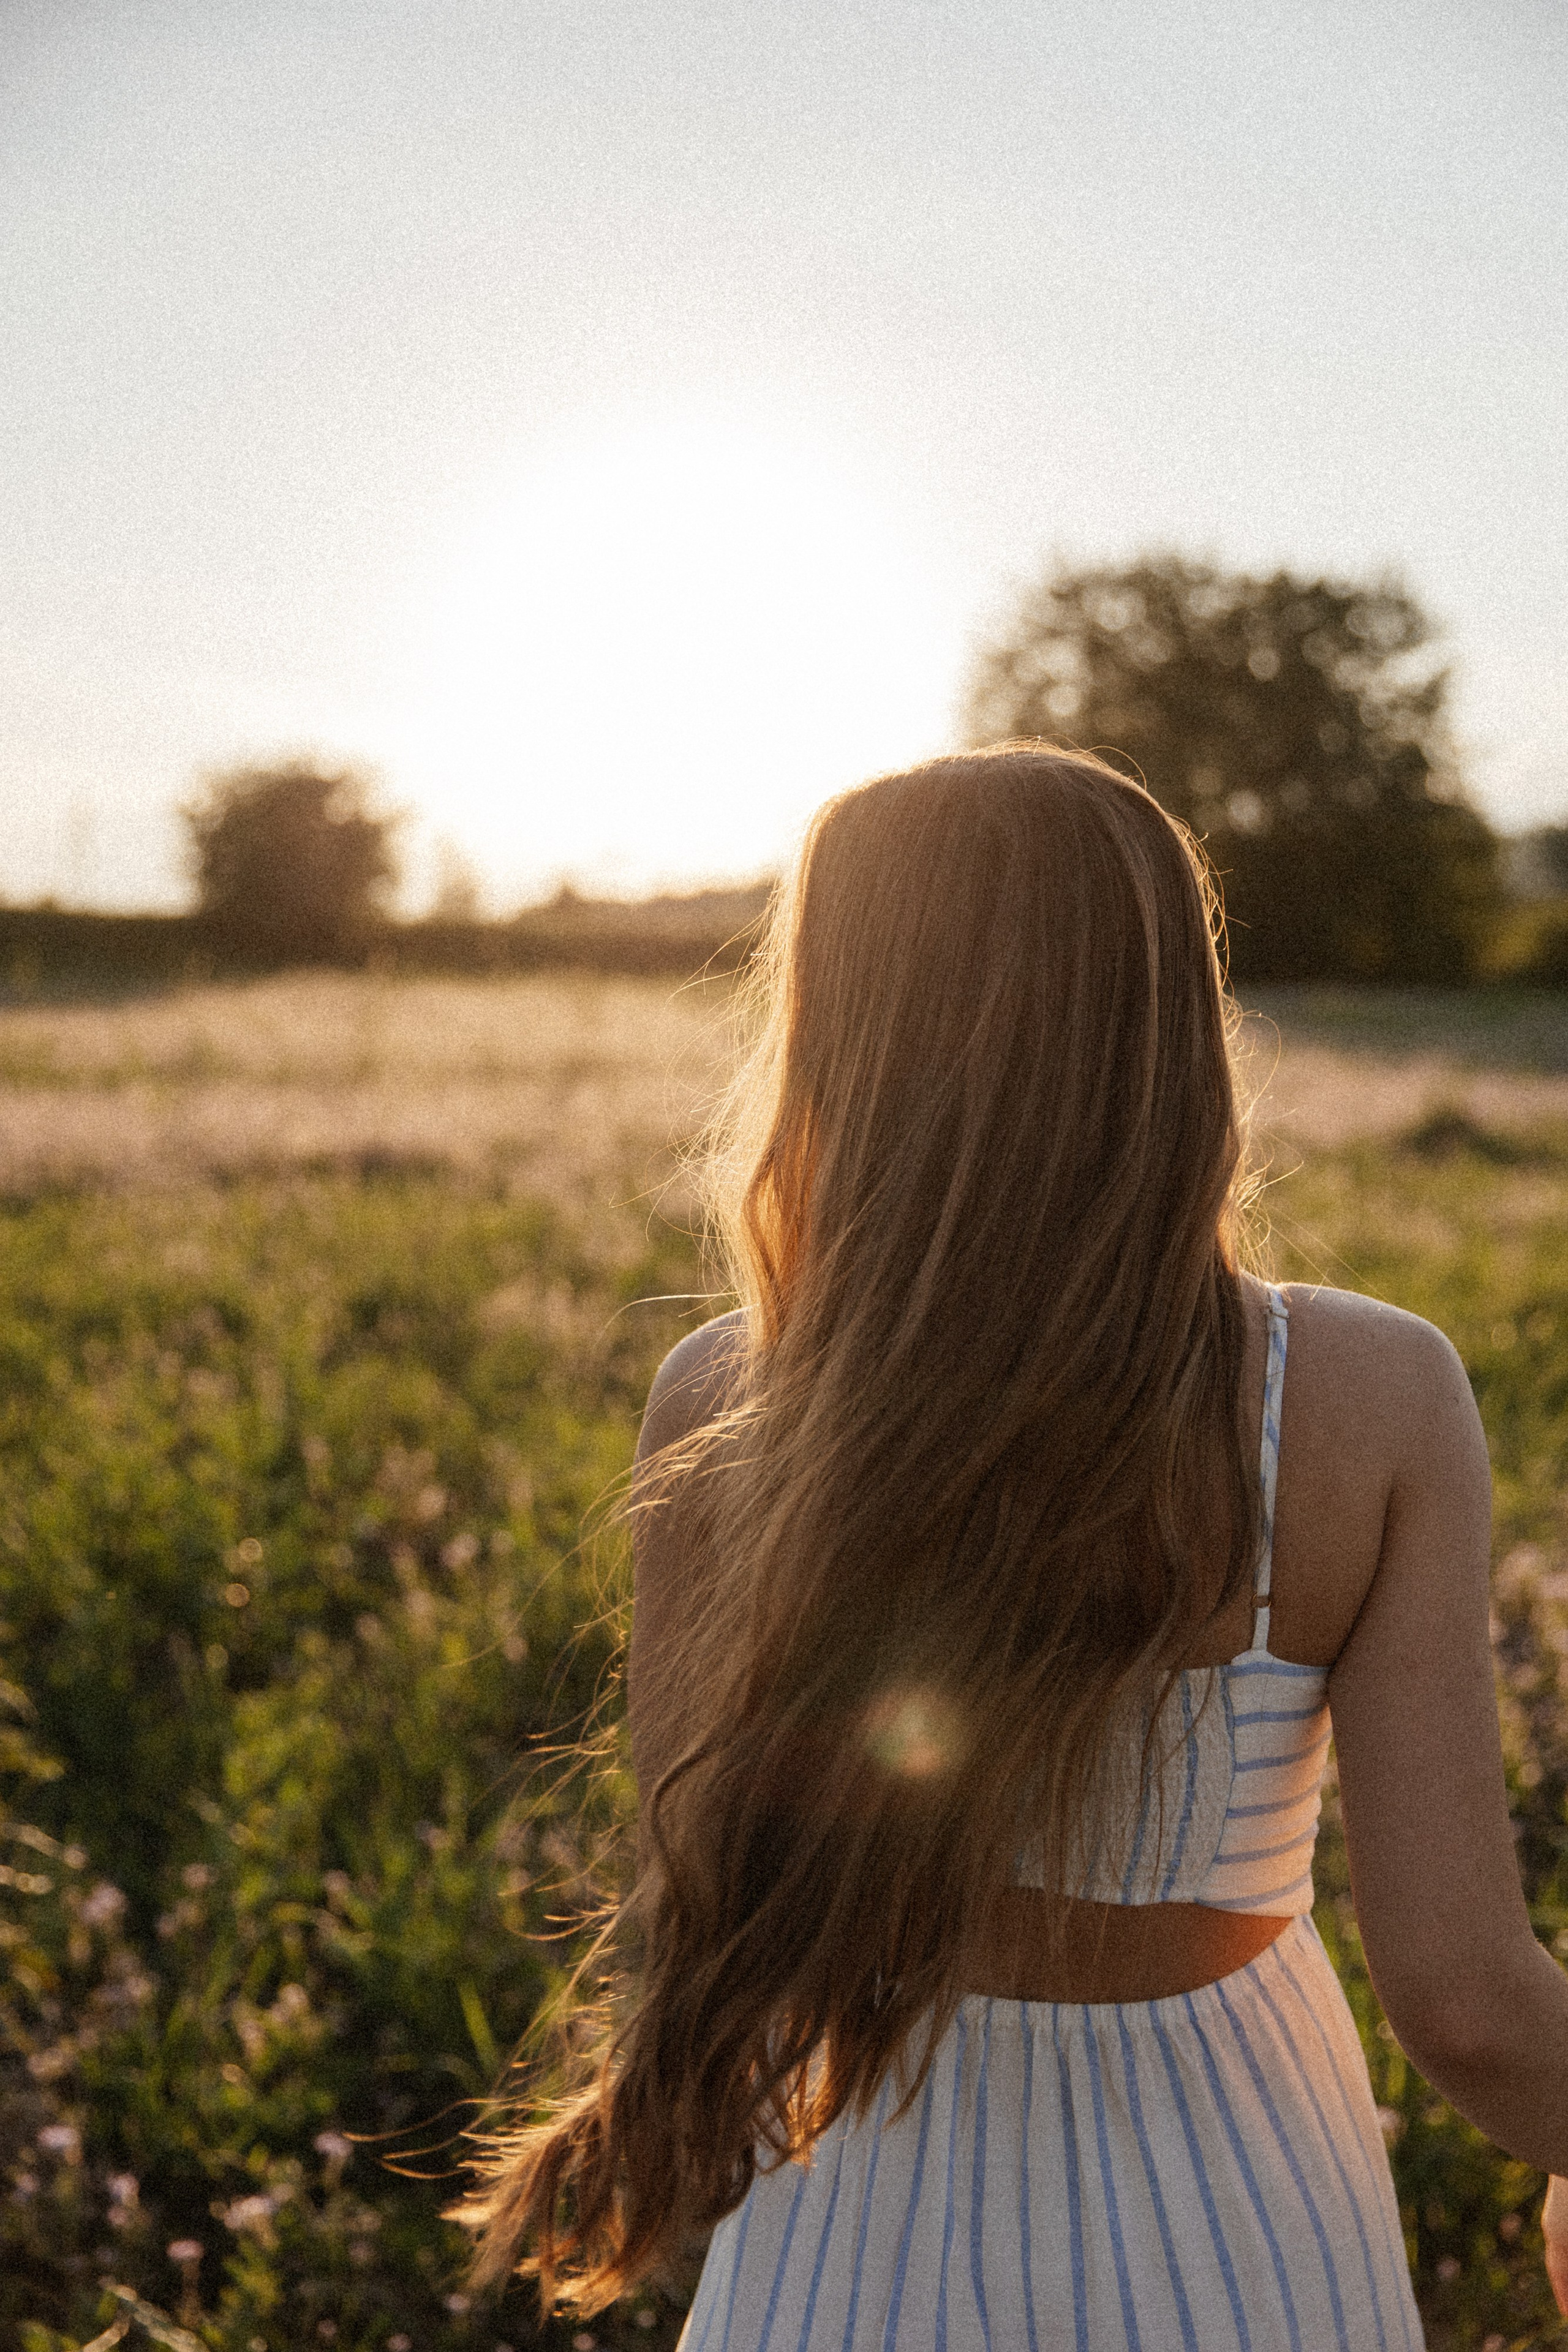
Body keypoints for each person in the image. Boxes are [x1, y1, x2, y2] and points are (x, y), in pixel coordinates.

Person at [460, 746, 1568, 2347]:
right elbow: (1470, 2008)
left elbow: (700, 1915)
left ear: (835, 1027)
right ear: (1175, 1025)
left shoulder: (723, 1399)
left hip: (853, 2222)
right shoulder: (1372, 1393)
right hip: (1243, 2225)